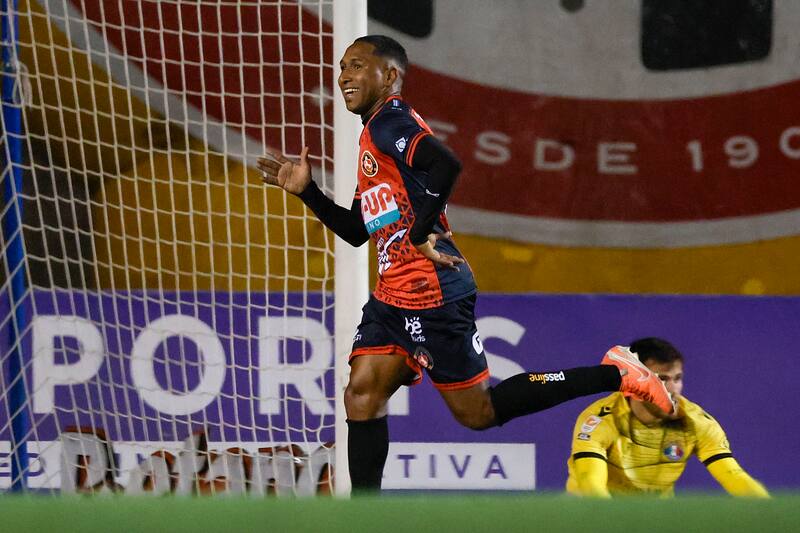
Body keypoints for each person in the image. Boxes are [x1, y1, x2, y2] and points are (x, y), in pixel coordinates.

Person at [257, 34, 675, 493]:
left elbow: (447, 165)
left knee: (480, 413)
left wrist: (420, 231)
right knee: (361, 395)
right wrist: (308, 193)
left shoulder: (390, 124)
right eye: (342, 67)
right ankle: (364, 516)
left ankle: (618, 372)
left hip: (433, 290)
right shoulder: (374, 136)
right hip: (393, 296)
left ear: (390, 76)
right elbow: (359, 230)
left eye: (357, 65)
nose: (344, 76)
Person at [566, 337, 769, 498]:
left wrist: (770, 514)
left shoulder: (695, 422)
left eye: (677, 378)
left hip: (653, 520)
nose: (672, 389)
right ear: (633, 382)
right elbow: (590, 483)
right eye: (661, 379)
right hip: (590, 518)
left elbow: (733, 476)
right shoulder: (599, 421)